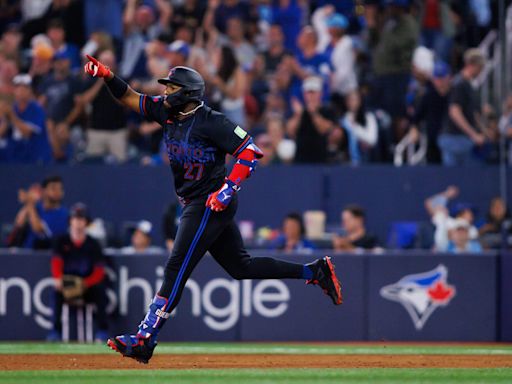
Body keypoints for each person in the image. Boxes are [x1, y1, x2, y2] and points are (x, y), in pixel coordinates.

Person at [83, 54, 343, 363]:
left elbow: (250, 151)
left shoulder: (212, 121)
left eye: (171, 88)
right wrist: (107, 75)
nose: (165, 93)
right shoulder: (167, 113)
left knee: (176, 266)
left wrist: (228, 188)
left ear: (187, 92)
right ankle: (314, 271)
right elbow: (129, 97)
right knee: (241, 267)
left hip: (209, 201)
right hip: (196, 201)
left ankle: (145, 337)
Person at [48, 203, 109, 342]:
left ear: (86, 223)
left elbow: (99, 271)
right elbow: (56, 262)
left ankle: (102, 330)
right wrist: (58, 279)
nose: (78, 223)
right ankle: (55, 332)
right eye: (75, 219)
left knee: (100, 290)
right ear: (70, 221)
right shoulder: (62, 240)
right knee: (56, 292)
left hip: (87, 285)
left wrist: (85, 283)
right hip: (67, 284)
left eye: (81, 219)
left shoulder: (93, 244)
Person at [438, 48, 487, 166]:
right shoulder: (459, 84)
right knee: (456, 179)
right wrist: (473, 135)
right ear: (472, 65)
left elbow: (472, 113)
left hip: (462, 139)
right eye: (480, 68)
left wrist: (484, 131)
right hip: (455, 139)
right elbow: (455, 112)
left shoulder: (468, 85)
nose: (480, 72)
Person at [286, 76, 341, 163]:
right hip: (300, 160)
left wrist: (314, 113)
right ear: (304, 94)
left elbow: (324, 129)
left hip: (321, 160)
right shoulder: (299, 111)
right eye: (308, 92)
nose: (311, 96)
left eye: (314, 92)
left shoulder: (328, 110)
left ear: (320, 94)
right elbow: (290, 131)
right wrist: (298, 115)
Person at [1, 74, 52, 164]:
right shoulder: (12, 108)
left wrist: (11, 115)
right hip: (15, 157)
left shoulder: (36, 109)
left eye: (24, 88)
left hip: (35, 157)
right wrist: (4, 116)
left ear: (30, 91)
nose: (21, 91)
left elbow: (27, 133)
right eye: (18, 87)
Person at [13, 175, 69, 249]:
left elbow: (37, 229)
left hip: (45, 256)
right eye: (53, 188)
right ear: (44, 191)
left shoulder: (63, 214)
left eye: (60, 189)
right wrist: (29, 201)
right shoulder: (36, 207)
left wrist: (29, 203)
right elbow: (19, 223)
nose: (57, 192)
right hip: (26, 253)